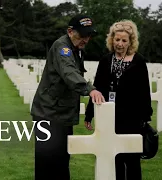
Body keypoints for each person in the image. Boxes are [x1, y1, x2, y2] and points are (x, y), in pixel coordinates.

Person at [30, 14, 105, 180]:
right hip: (49, 114)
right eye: (83, 35)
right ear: (70, 31)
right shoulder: (62, 47)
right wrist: (89, 89)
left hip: (61, 113)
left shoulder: (76, 49)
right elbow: (68, 72)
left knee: (62, 160)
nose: (86, 39)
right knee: (47, 163)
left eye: (89, 35)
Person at [84, 19, 153, 180]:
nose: (120, 44)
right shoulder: (106, 60)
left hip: (133, 118)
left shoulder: (139, 61)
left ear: (131, 42)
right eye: (117, 39)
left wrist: (145, 118)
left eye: (124, 40)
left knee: (132, 160)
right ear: (111, 40)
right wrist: (89, 114)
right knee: (115, 159)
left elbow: (144, 91)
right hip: (110, 117)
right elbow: (97, 88)